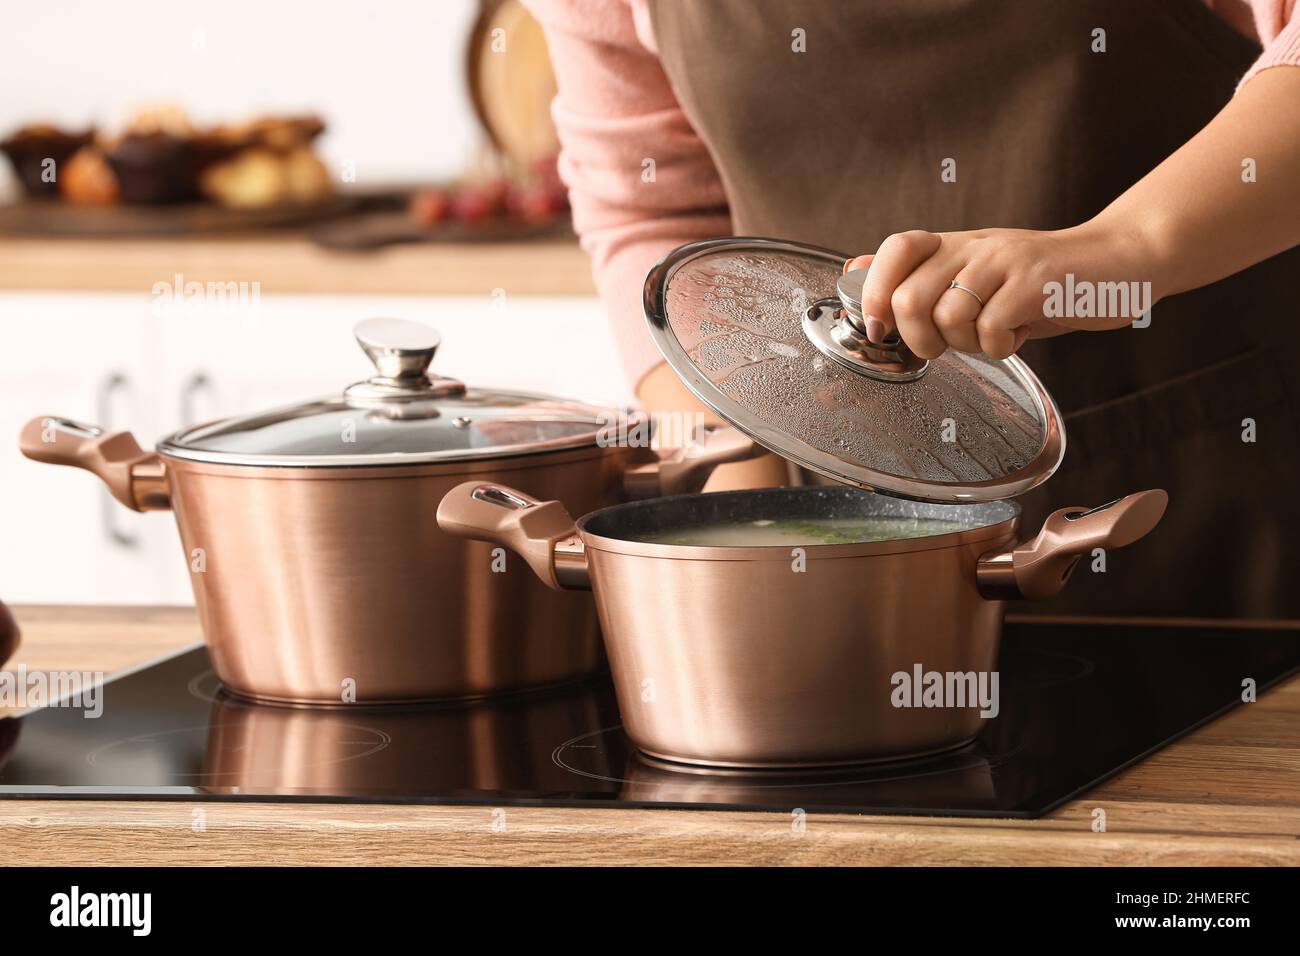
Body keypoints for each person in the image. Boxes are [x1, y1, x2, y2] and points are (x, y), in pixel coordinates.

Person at [525, 0, 1300, 618]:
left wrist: (1125, 247)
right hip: (836, 548)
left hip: (1214, 502)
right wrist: (743, 486)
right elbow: (651, 210)